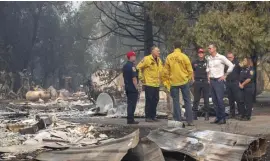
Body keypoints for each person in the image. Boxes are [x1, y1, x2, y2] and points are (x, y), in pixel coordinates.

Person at [162, 41, 194, 126]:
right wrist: (188, 79)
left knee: (175, 101)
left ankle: (178, 120)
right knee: (187, 101)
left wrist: (166, 82)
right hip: (184, 81)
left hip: (173, 82)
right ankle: (190, 120)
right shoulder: (184, 56)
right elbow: (190, 70)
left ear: (173, 47)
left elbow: (165, 71)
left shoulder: (169, 57)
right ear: (180, 47)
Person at [207, 44, 234, 125]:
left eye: (210, 48)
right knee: (214, 101)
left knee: (220, 100)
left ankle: (223, 118)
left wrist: (225, 75)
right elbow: (208, 68)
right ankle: (218, 117)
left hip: (219, 81)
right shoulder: (209, 58)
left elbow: (231, 65)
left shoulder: (221, 57)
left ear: (215, 49)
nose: (209, 49)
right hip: (211, 81)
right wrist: (208, 76)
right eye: (208, 48)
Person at [137, 46, 163, 122]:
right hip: (149, 83)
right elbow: (138, 67)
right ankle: (148, 117)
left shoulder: (159, 60)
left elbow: (161, 70)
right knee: (149, 100)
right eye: (157, 51)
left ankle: (153, 115)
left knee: (156, 100)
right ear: (152, 51)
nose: (159, 52)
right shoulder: (147, 59)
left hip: (157, 84)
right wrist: (142, 78)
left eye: (159, 51)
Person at [192, 48, 210, 121]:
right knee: (196, 99)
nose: (201, 54)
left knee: (206, 99)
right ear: (198, 54)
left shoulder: (207, 62)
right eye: (199, 53)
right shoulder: (194, 62)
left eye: (202, 53)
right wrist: (193, 80)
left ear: (204, 54)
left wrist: (209, 80)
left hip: (205, 81)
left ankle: (206, 115)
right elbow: (192, 71)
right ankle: (194, 115)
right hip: (197, 81)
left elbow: (209, 71)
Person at [122, 51, 139, 124]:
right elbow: (134, 78)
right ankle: (131, 119)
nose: (135, 57)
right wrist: (136, 87)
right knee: (132, 104)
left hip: (127, 87)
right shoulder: (132, 66)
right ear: (131, 57)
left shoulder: (125, 66)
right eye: (134, 56)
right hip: (132, 87)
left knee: (129, 103)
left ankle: (130, 118)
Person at [225, 52, 242, 118]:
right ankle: (232, 114)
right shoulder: (226, 64)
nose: (229, 59)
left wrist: (239, 81)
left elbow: (241, 72)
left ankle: (240, 113)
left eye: (230, 57)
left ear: (233, 57)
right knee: (230, 99)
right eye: (228, 57)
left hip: (235, 83)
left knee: (238, 99)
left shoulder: (237, 63)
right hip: (228, 83)